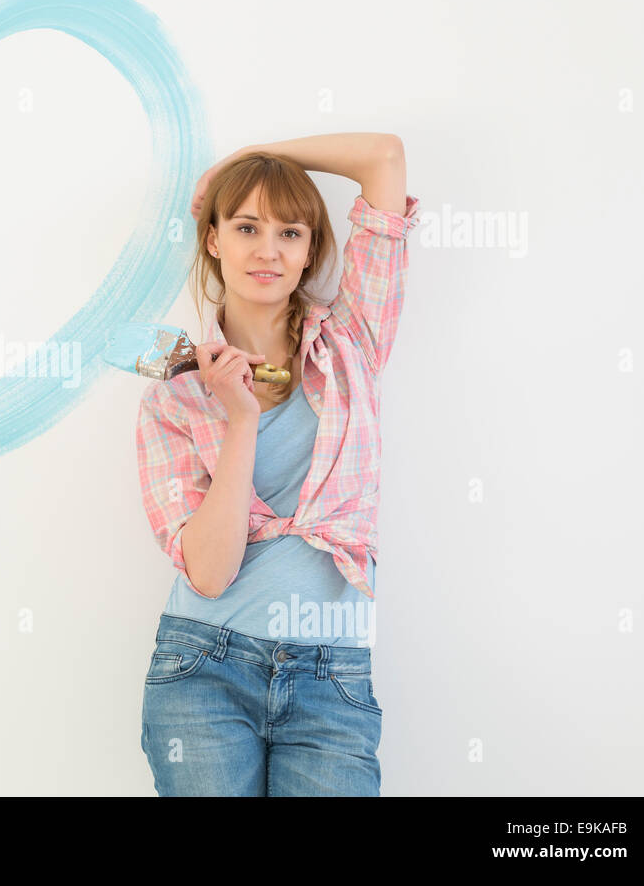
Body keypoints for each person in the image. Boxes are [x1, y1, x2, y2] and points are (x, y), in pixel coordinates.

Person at [135, 132, 420, 795]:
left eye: (290, 232)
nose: (268, 249)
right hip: (203, 670)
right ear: (213, 241)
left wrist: (244, 160)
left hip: (332, 677)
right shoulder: (172, 397)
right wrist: (239, 418)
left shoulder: (353, 342)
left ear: (310, 251)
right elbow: (208, 573)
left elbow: (383, 157)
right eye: (246, 226)